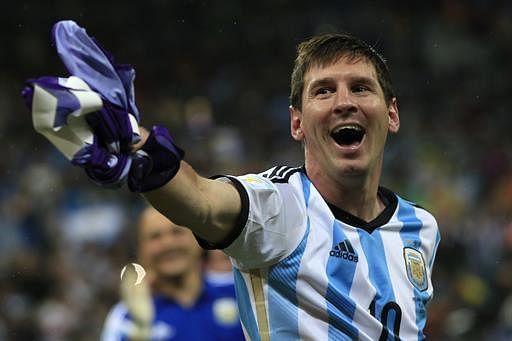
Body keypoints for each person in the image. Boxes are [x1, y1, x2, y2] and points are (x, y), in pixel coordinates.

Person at [24, 22, 441, 340]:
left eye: (361, 88)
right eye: (324, 91)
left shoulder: (422, 230)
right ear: (296, 123)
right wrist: (139, 146)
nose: (344, 102)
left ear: (391, 114)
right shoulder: (281, 208)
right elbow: (203, 200)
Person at [101, 206, 244, 340]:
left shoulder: (239, 293)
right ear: (140, 250)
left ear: (198, 239)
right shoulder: (126, 319)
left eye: (177, 232)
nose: (168, 244)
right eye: (155, 237)